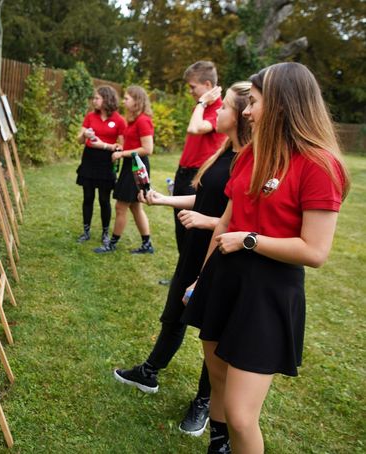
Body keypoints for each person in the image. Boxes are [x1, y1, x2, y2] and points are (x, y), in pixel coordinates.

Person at [182, 62, 350, 454]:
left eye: (253, 102)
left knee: (242, 415)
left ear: (282, 105)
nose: (245, 111)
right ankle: (218, 447)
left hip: (267, 293)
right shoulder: (250, 154)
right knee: (218, 379)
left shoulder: (320, 166)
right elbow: (225, 222)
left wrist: (251, 241)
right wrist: (200, 279)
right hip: (223, 278)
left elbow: (315, 251)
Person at [113, 82, 253, 439]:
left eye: (223, 108)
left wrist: (208, 223)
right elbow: (204, 201)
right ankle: (149, 372)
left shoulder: (249, 158)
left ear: (239, 117)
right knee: (174, 312)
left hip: (222, 253)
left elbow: (237, 216)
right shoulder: (225, 152)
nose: (216, 112)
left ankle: (205, 401)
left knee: (213, 330)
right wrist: (164, 201)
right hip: (197, 247)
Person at [173, 61, 227, 255]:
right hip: (184, 173)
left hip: (198, 177)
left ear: (208, 86)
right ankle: (181, 276)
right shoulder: (202, 109)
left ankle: (193, 280)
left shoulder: (220, 111)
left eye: (192, 87)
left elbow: (194, 129)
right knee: (180, 227)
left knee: (192, 234)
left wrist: (202, 102)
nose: (190, 91)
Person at [94, 85, 154, 254]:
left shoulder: (143, 120)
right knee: (135, 207)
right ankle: (147, 244)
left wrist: (122, 154)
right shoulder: (134, 120)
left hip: (136, 166)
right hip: (131, 165)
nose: (124, 101)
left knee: (121, 207)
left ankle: (112, 244)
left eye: (127, 98)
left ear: (137, 101)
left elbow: (148, 149)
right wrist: (122, 149)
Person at [76, 86, 126, 246]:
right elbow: (79, 140)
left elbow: (121, 146)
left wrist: (105, 146)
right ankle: (86, 231)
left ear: (107, 99)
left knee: (104, 199)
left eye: (97, 98)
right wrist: (84, 135)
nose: (94, 100)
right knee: (88, 197)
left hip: (107, 161)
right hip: (89, 159)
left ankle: (105, 233)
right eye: (94, 98)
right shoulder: (90, 116)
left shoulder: (119, 120)